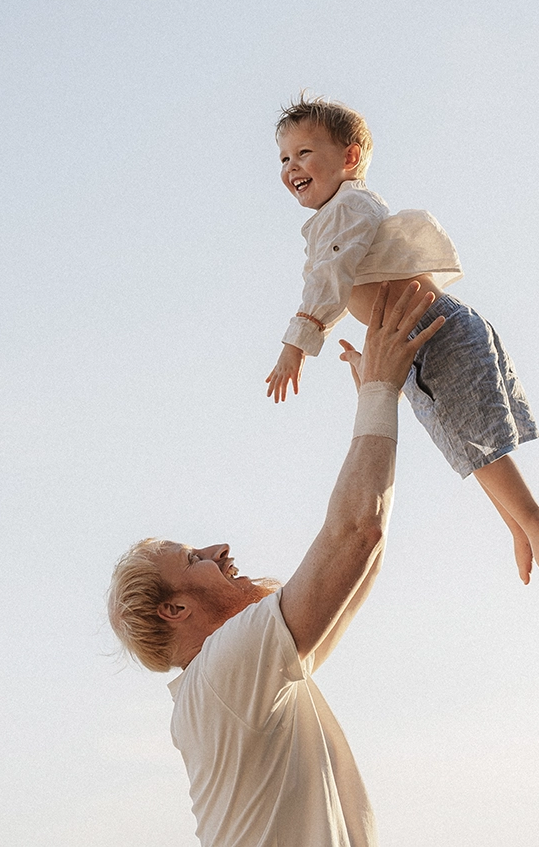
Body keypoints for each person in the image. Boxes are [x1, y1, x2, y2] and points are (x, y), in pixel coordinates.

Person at [108, 283, 445, 847]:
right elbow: (354, 537)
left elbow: (364, 558)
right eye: (194, 558)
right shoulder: (224, 670)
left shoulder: (248, 679)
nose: (219, 550)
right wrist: (381, 391)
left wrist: (378, 401)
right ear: (175, 608)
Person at [264, 94, 539, 584]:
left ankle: (532, 516)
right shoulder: (335, 216)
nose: (292, 166)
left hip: (436, 332)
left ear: (350, 158)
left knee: (475, 436)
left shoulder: (347, 207)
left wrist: (295, 345)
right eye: (284, 158)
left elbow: (329, 279)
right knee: (466, 441)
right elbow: (337, 279)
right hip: (420, 343)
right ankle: (518, 521)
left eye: (304, 153)